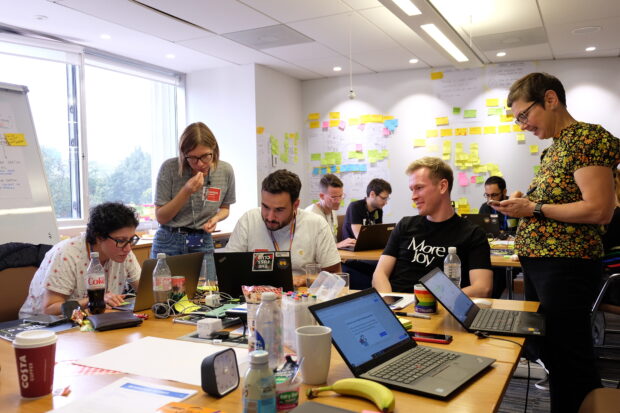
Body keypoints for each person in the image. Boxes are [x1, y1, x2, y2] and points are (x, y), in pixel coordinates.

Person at [493, 72, 620, 413]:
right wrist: (526, 201)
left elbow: (599, 209)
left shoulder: (586, 138)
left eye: (524, 115)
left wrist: (532, 207)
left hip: (566, 266)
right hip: (545, 266)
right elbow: (559, 204)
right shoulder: (555, 150)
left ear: (550, 99)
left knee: (569, 359)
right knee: (553, 353)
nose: (522, 125)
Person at [372, 157, 493, 297]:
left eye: (419, 188)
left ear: (442, 186)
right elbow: (380, 274)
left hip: (440, 310)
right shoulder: (405, 225)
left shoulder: (472, 234)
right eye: (412, 189)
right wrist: (390, 304)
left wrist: (431, 303)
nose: (413, 196)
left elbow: (482, 288)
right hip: (398, 308)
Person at [19, 202, 141, 317]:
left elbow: (145, 291)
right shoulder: (67, 254)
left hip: (91, 320)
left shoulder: (122, 251)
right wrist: (94, 300)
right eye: (121, 240)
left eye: (131, 240)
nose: (128, 248)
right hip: (41, 327)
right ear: (99, 237)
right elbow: (49, 309)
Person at [226, 169, 341, 286]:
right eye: (265, 207)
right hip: (256, 296)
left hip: (299, 298)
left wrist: (305, 278)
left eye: (279, 210)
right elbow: (227, 268)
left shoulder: (316, 224)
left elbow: (335, 274)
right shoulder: (249, 220)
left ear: (295, 205)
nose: (270, 217)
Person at [152, 122, 235, 280]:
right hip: (169, 240)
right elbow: (161, 217)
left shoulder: (225, 171)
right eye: (193, 158)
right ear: (184, 154)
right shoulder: (169, 168)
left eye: (205, 156)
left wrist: (215, 218)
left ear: (214, 150)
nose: (200, 164)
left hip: (202, 239)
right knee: (164, 298)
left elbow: (225, 208)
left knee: (208, 296)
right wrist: (186, 191)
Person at [304, 174, 356, 250]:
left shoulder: (332, 210)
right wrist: (337, 245)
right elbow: (309, 248)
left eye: (341, 196)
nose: (338, 201)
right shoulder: (310, 215)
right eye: (334, 197)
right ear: (322, 196)